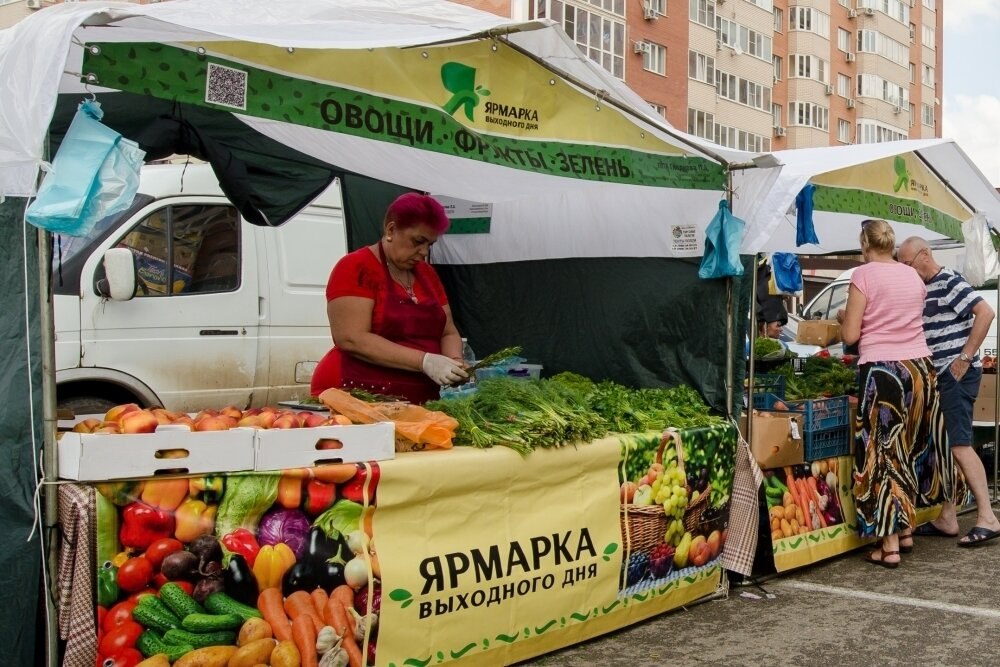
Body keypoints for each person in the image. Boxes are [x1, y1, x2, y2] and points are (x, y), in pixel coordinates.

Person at [837, 219, 940, 567]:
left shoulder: (863, 275)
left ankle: (889, 545)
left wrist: (843, 319)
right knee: (907, 448)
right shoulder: (912, 275)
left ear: (865, 244)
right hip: (921, 370)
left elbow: (851, 335)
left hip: (884, 371)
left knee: (880, 456)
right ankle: (906, 530)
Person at [310, 193, 468, 403]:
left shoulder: (428, 274)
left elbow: (448, 331)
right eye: (418, 241)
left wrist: (454, 362)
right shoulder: (355, 267)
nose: (423, 252)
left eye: (430, 244)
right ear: (391, 230)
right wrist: (424, 361)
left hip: (419, 399)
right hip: (355, 394)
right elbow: (351, 338)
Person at [898, 236, 1000, 546]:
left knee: (959, 445)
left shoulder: (947, 280)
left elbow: (985, 312)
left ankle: (988, 517)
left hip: (957, 375)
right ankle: (948, 516)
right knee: (946, 446)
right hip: (943, 376)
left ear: (925, 254)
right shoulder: (925, 287)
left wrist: (965, 357)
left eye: (907, 263)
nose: (906, 269)